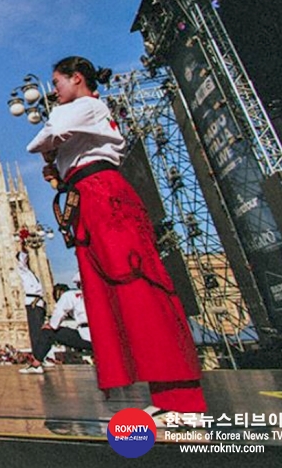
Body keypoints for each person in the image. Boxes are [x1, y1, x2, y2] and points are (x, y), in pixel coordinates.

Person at [26, 56, 206, 426]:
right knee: (115, 296)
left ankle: (184, 400)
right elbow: (59, 155)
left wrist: (51, 149)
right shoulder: (83, 113)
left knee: (140, 290)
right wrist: (57, 168)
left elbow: (42, 137)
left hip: (105, 199)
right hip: (88, 201)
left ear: (77, 79)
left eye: (57, 82)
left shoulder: (86, 105)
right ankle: (167, 396)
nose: (53, 91)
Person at [38, 273, 93, 368]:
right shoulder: (103, 293)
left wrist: (51, 325)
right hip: (108, 338)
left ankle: (36, 363)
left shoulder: (72, 295)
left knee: (49, 332)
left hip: (87, 337)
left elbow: (59, 312)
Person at [14, 238, 47, 374]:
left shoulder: (31, 273)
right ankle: (37, 361)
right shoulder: (23, 270)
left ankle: (43, 358)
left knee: (41, 332)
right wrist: (22, 245)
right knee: (35, 332)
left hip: (39, 303)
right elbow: (22, 258)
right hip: (32, 303)